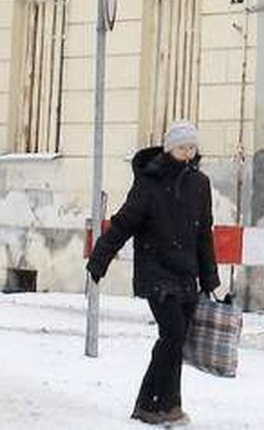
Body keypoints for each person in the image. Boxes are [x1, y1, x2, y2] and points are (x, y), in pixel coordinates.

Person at [87, 120, 219, 426]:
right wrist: (99, 260)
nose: (188, 153)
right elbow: (124, 224)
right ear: (169, 148)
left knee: (174, 340)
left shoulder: (200, 185)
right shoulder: (150, 183)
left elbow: (204, 234)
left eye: (192, 147)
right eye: (182, 147)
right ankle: (163, 403)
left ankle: (153, 403)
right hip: (156, 271)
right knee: (172, 335)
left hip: (186, 274)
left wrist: (209, 277)